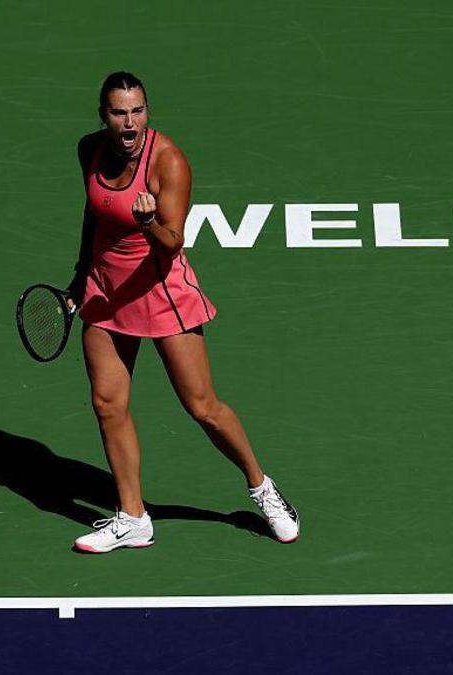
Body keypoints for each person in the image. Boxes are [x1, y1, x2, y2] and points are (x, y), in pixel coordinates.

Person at [66, 71, 299, 553]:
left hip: (160, 291)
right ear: (103, 116)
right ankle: (133, 517)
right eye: (119, 113)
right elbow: (93, 214)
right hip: (106, 291)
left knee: (202, 407)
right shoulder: (89, 150)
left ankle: (262, 488)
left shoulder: (169, 162)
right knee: (108, 404)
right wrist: (79, 275)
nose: (129, 123)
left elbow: (172, 243)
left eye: (137, 111)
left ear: (147, 112)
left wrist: (147, 220)